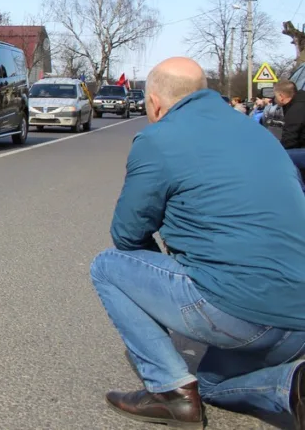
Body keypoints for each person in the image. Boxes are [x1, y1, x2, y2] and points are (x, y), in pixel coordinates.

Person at [89, 57, 305, 429]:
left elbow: (127, 235)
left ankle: (170, 392)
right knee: (209, 386)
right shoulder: (255, 131)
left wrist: (166, 284)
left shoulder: (159, 139)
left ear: (154, 102)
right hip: (298, 322)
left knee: (107, 266)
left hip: (238, 311)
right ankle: (290, 386)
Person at [274, 80, 305, 172]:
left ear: (281, 96)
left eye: (275, 96)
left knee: (277, 157)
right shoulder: (300, 103)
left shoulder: (295, 110)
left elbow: (290, 140)